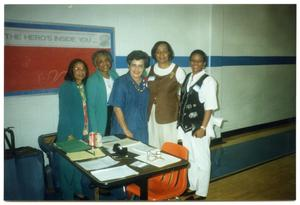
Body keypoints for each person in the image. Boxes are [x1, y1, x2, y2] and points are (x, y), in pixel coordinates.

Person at [177, 49, 223, 200]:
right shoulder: (188, 77)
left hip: (199, 126)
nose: (195, 64)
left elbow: (209, 107)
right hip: (185, 127)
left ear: (204, 63)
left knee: (202, 159)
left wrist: (202, 128)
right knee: (190, 158)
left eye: (199, 61)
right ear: (190, 61)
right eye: (193, 60)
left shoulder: (209, 81)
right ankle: (192, 186)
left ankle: (201, 192)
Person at [57, 58, 89, 200]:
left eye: (82, 69)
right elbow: (64, 112)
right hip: (69, 132)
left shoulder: (85, 86)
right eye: (76, 68)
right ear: (71, 71)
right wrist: (69, 133)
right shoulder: (66, 87)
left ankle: (77, 189)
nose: (80, 71)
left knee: (79, 164)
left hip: (84, 130)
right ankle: (67, 196)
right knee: (67, 168)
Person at [147, 41, 186, 148]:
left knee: (168, 145)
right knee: (153, 143)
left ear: (169, 53)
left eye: (165, 51)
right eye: (158, 52)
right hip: (151, 115)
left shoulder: (178, 71)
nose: (161, 54)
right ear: (154, 54)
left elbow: (185, 95)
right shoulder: (149, 69)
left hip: (169, 115)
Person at [109, 50, 150, 144]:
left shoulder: (145, 83)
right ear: (129, 65)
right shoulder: (121, 82)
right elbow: (117, 108)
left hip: (141, 130)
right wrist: (126, 130)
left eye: (140, 66)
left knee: (141, 157)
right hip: (123, 130)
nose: (137, 69)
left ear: (144, 68)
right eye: (133, 65)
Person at [86, 50, 119, 136]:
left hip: (115, 113)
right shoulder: (92, 80)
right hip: (102, 116)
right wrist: (94, 130)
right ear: (96, 64)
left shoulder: (114, 75)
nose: (105, 63)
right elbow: (91, 107)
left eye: (107, 60)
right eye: (100, 61)